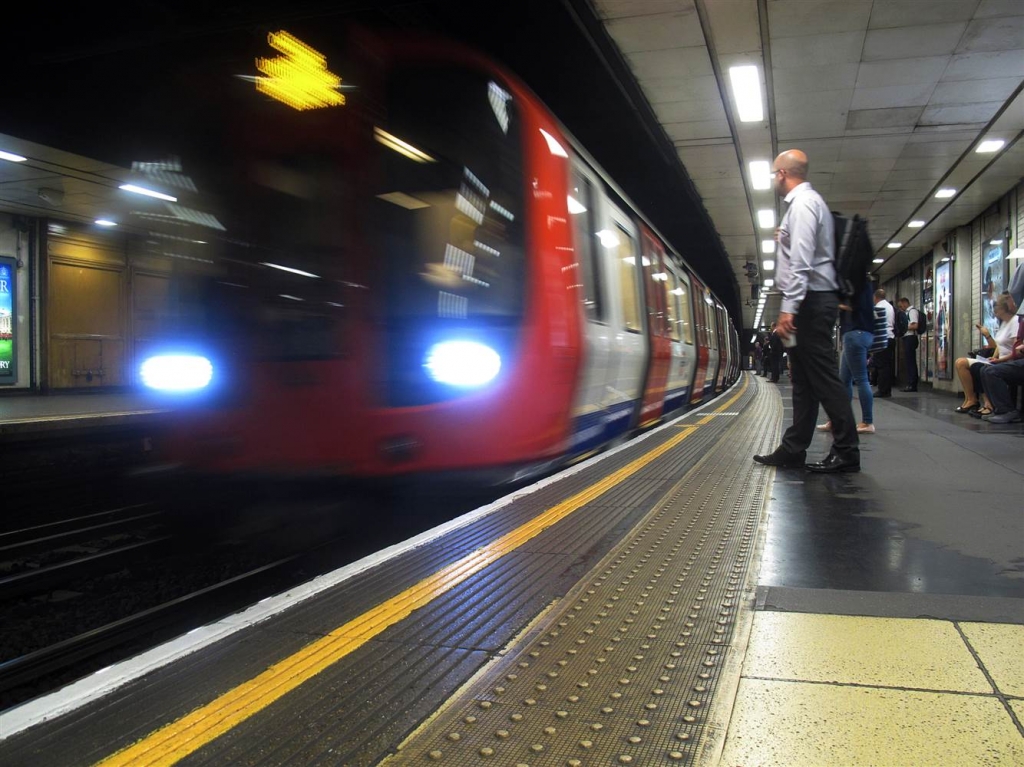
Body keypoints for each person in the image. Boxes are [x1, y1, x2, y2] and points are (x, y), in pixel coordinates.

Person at [753, 149, 859, 473]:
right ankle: (794, 447)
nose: (774, 179)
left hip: (810, 302)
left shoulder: (802, 205)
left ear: (783, 174)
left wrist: (789, 309)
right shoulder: (805, 206)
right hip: (809, 301)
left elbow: (801, 263)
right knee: (804, 381)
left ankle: (847, 452)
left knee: (824, 379)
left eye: (774, 174)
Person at [817, 277, 876, 434]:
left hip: (855, 334)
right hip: (859, 334)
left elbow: (854, 306)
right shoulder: (863, 282)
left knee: (861, 380)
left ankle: (867, 422)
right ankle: (837, 420)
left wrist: (834, 303)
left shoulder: (857, 283)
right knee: (844, 381)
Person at [953, 292, 1017, 416]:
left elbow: (1015, 349)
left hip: (1007, 361)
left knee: (980, 368)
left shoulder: (1015, 322)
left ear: (1003, 309)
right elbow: (998, 346)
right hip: (998, 359)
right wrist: (994, 355)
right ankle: (970, 399)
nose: (994, 312)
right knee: (961, 362)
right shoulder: (1004, 324)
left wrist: (999, 359)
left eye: (997, 308)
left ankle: (988, 404)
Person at [980, 300, 1024, 424]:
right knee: (985, 370)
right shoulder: (1007, 323)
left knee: (992, 372)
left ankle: (1007, 410)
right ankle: (998, 408)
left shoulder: (1016, 321)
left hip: (1015, 360)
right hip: (1012, 359)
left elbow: (1015, 351)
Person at [872, 288, 895, 397]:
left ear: (875, 297)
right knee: (887, 365)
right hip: (890, 337)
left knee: (881, 366)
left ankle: (882, 390)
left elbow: (874, 324)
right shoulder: (890, 306)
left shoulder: (878, 307)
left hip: (882, 338)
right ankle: (887, 390)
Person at [897, 297, 920, 391]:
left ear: (905, 303)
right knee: (908, 361)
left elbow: (915, 325)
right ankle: (910, 382)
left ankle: (912, 384)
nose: (900, 307)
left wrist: (904, 327)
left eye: (900, 305)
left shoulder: (912, 311)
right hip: (907, 337)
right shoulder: (907, 312)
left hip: (911, 338)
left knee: (911, 361)